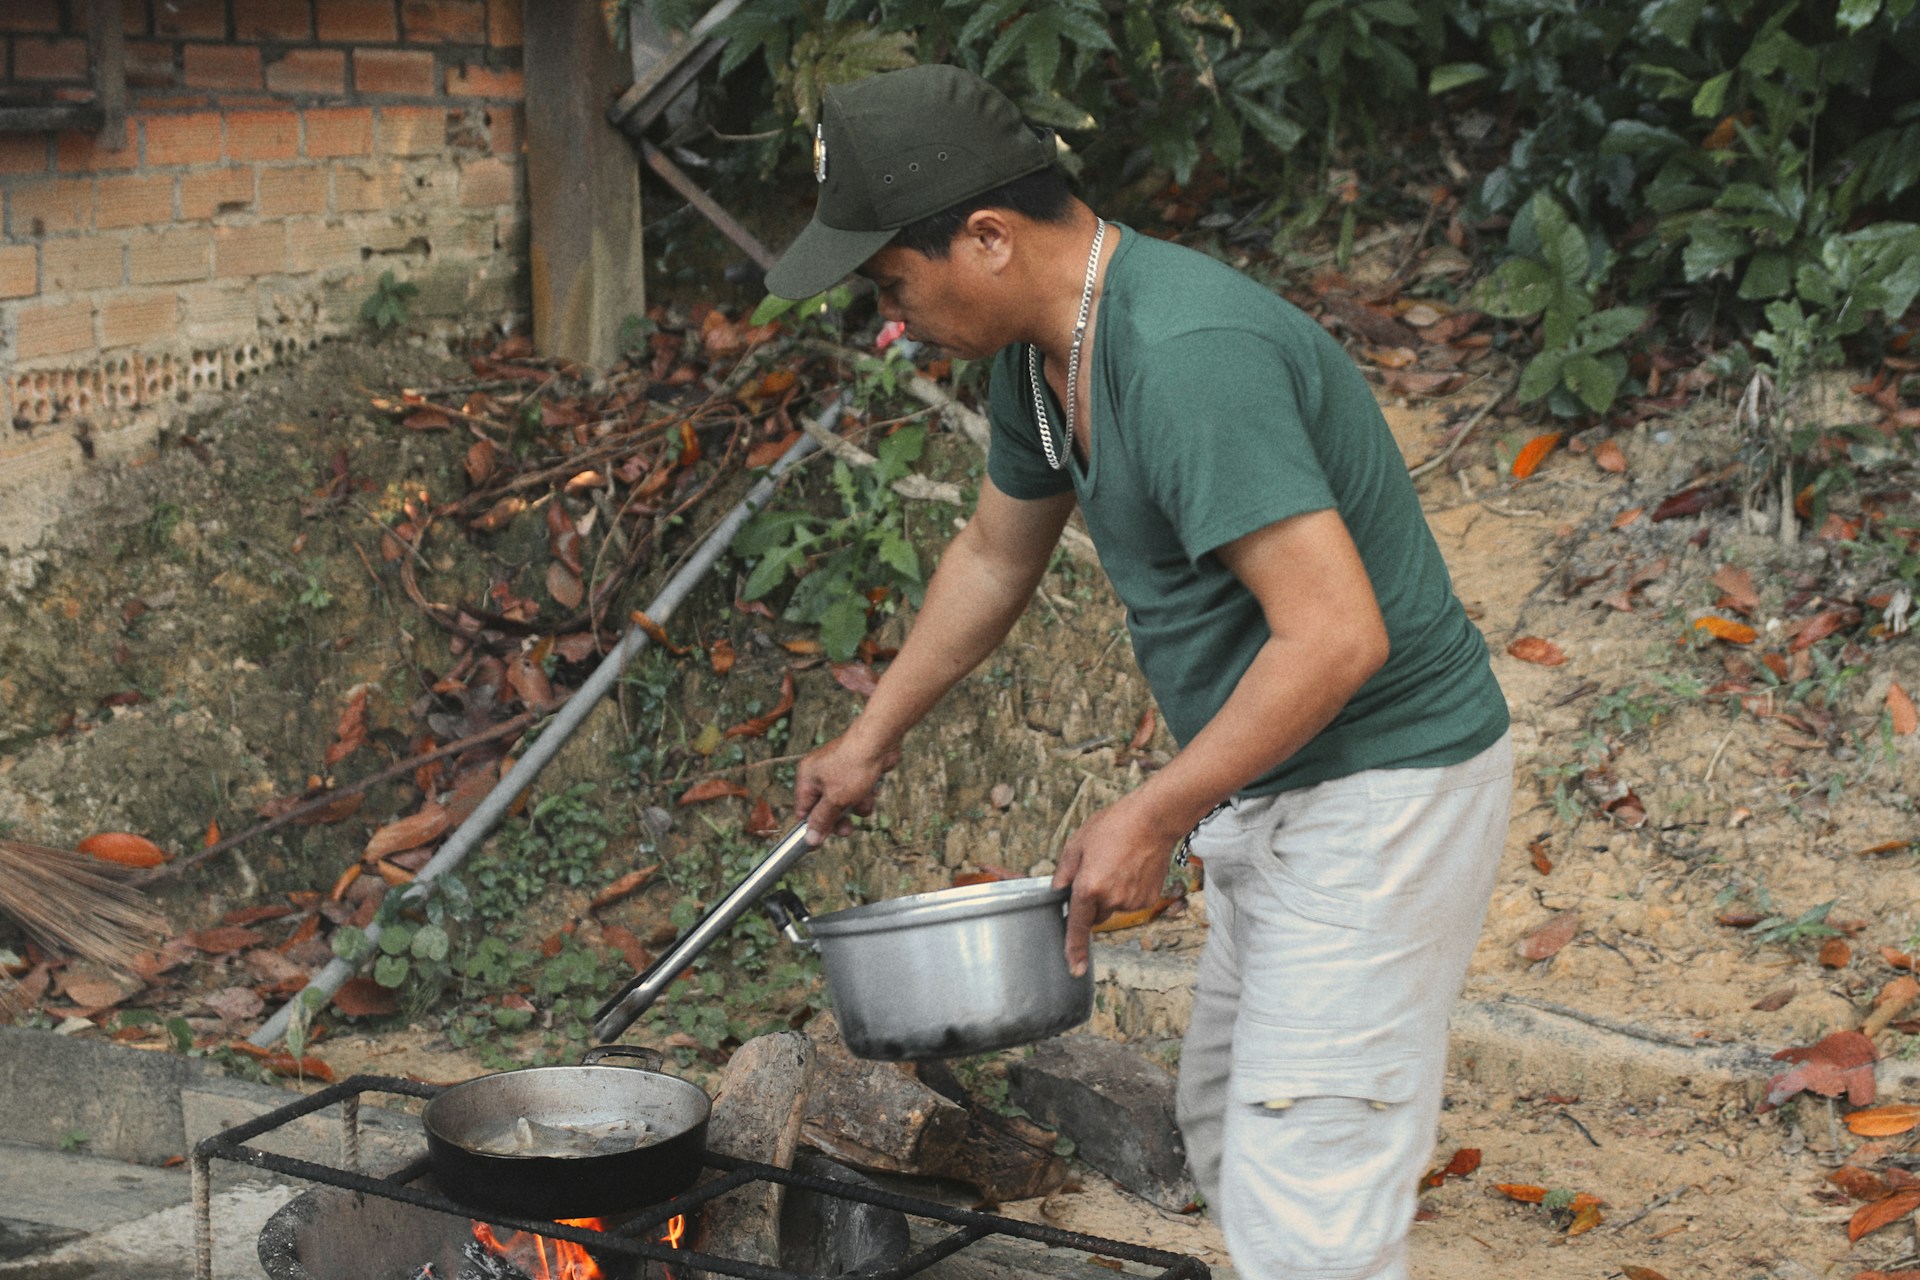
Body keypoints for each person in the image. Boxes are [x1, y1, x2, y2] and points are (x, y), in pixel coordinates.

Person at [765, 64, 1513, 1280]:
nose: (888, 315)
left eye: (891, 281)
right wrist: (871, 736)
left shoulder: (1183, 354)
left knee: (1306, 1182)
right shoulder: (1038, 359)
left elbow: (1336, 636)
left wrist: (1155, 811)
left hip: (1381, 789)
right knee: (1229, 1128)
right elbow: (994, 553)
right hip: (1276, 778)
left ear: (989, 237)